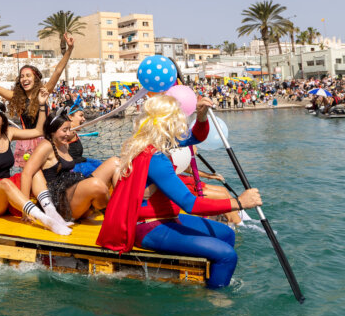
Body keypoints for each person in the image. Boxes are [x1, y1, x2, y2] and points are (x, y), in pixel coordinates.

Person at [96, 95, 262, 288]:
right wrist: (239, 202)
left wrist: (201, 117)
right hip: (148, 226)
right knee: (227, 255)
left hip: (165, 218)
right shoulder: (156, 158)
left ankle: (210, 275)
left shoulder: (150, 143)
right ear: (169, 123)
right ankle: (214, 299)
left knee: (226, 234)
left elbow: (196, 137)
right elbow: (189, 204)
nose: (182, 124)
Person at [0, 90, 71, 234]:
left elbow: (39, 131)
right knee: (5, 183)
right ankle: (44, 220)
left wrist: (42, 104)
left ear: (2, 120)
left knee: (34, 171)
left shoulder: (10, 133)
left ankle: (51, 212)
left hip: (8, 194)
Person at [0, 34, 75, 166]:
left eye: (28, 76)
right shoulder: (16, 97)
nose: (24, 79)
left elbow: (58, 71)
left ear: (35, 78)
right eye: (22, 76)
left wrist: (69, 49)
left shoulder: (44, 92)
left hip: (48, 139)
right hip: (28, 140)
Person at [20, 108, 113, 225]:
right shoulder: (45, 146)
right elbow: (26, 174)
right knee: (96, 184)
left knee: (114, 162)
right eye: (64, 130)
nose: (68, 134)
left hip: (72, 193)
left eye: (69, 129)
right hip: (60, 205)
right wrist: (25, 209)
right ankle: (112, 216)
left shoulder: (64, 145)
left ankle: (126, 209)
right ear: (52, 131)